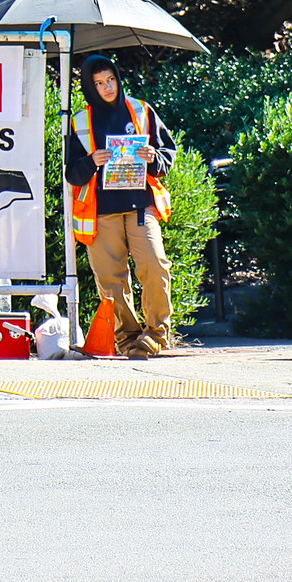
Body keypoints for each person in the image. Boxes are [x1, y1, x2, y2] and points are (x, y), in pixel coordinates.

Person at [65, 53, 177, 358]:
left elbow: (168, 150)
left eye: (111, 79)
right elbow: (71, 172)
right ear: (89, 87)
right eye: (99, 83)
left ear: (118, 78)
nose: (107, 87)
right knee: (110, 279)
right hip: (100, 211)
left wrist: (155, 158)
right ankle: (126, 339)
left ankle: (156, 333)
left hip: (140, 205)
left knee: (154, 265)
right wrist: (91, 162)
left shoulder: (140, 109)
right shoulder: (79, 121)